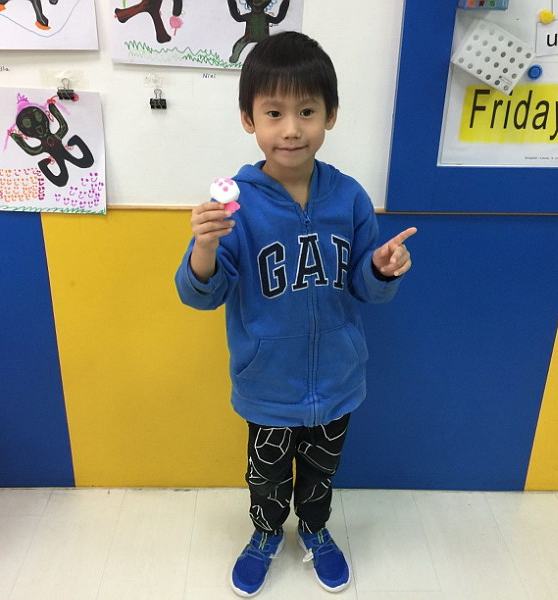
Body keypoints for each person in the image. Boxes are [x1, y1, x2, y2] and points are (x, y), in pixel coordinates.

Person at [175, 31, 416, 597]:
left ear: (330, 115)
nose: (291, 129)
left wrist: (382, 268)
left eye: (307, 111)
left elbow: (365, 288)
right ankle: (265, 533)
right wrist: (204, 247)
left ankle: (314, 529)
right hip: (267, 384)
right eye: (274, 113)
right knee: (265, 477)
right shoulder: (235, 205)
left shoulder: (349, 198)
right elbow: (202, 294)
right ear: (248, 119)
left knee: (320, 475)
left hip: (337, 378)